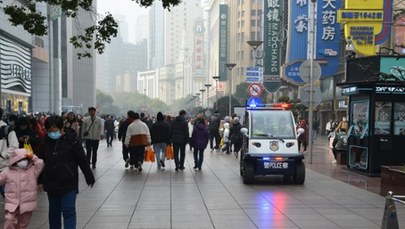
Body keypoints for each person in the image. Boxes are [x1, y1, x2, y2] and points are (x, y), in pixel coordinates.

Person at [38, 115, 95, 229]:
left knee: (69, 210)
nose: (52, 132)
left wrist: (89, 177)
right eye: (49, 130)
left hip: (68, 182)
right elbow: (40, 163)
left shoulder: (72, 141)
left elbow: (82, 160)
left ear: (61, 128)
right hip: (51, 182)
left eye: (55, 129)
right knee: (54, 212)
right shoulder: (46, 142)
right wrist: (39, 181)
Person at [0, 149, 44, 228]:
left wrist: (33, 156)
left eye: (25, 159)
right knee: (9, 220)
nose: (23, 161)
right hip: (12, 203)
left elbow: (40, 163)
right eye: (21, 159)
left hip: (27, 203)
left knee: (23, 224)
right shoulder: (7, 172)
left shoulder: (32, 171)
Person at [0, 108, 19, 197]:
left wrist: (2, 155)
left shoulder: (7, 130)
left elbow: (14, 147)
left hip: (4, 168)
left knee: (8, 196)